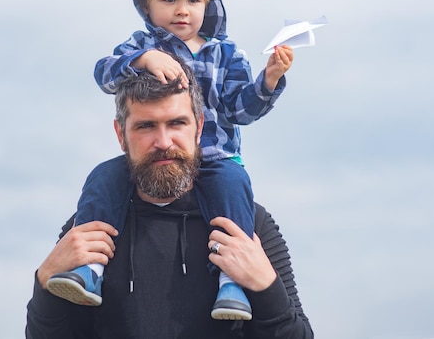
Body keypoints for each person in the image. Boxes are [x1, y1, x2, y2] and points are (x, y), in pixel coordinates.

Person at [46, 0, 294, 321]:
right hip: (144, 166)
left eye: (193, 0)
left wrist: (270, 79)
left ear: (208, 5)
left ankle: (232, 281)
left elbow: (241, 110)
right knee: (103, 176)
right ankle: (89, 270)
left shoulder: (225, 54)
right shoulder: (143, 45)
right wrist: (142, 60)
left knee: (234, 182)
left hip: (216, 159)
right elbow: (104, 73)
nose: (182, 10)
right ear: (147, 7)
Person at [25, 69, 313, 339]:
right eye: (146, 126)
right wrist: (45, 281)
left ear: (199, 127)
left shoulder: (249, 223)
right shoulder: (90, 227)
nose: (163, 142)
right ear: (120, 134)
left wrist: (265, 287)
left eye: (177, 123)